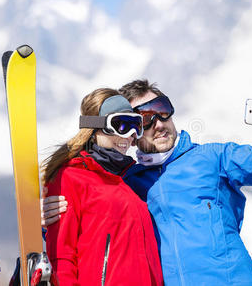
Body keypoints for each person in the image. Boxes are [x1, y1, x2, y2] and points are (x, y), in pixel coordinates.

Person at [42, 80, 252, 285]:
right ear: (132, 131)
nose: (159, 123)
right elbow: (89, 230)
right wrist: (47, 218)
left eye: (163, 110)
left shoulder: (212, 158)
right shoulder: (128, 184)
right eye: (145, 119)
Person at [41, 88, 163, 286]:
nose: (130, 136)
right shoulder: (70, 177)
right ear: (96, 126)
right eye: (122, 125)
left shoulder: (131, 181)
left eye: (136, 126)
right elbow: (62, 257)